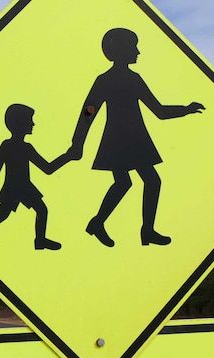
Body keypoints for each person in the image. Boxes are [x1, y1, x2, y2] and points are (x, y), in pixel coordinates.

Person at [67, 28, 205, 247]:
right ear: (122, 50)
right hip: (118, 140)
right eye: (133, 47)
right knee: (132, 182)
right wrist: (77, 144)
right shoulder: (105, 80)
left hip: (134, 139)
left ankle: (135, 229)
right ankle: (104, 224)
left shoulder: (134, 79)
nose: (138, 52)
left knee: (142, 181)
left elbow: (158, 111)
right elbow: (88, 112)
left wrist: (185, 109)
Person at [0, 103, 73, 250]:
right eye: (30, 120)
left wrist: (67, 157)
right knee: (3, 214)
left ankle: (40, 240)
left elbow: (47, 168)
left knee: (41, 210)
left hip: (25, 186)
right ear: (20, 123)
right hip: (12, 187)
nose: (33, 123)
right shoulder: (6, 145)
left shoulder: (27, 148)